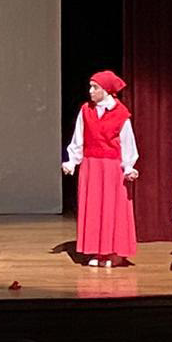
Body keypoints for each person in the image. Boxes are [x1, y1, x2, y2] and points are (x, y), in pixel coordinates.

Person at [61, 70, 139, 267]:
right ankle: (97, 251)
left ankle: (114, 252)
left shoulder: (121, 114)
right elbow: (78, 138)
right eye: (90, 86)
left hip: (112, 167)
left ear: (106, 90)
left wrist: (128, 166)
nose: (90, 90)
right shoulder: (86, 110)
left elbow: (127, 143)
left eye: (95, 87)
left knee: (112, 208)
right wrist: (72, 161)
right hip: (91, 166)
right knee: (94, 208)